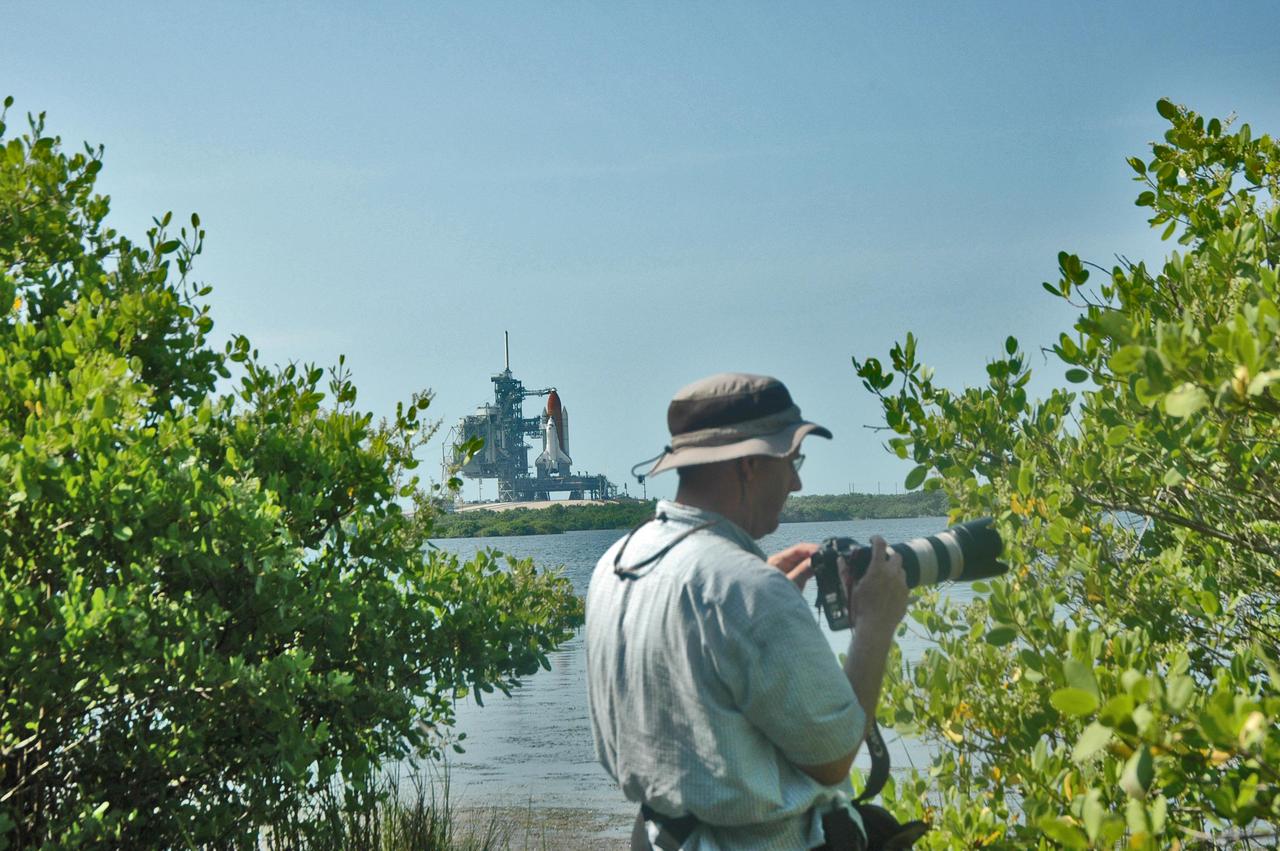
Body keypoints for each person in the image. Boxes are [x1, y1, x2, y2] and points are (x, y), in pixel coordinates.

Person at [585, 373, 910, 850]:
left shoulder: (615, 564)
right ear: (750, 466)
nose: (797, 481)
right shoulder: (746, 590)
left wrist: (760, 591)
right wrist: (875, 626)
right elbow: (835, 754)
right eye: (792, 461)